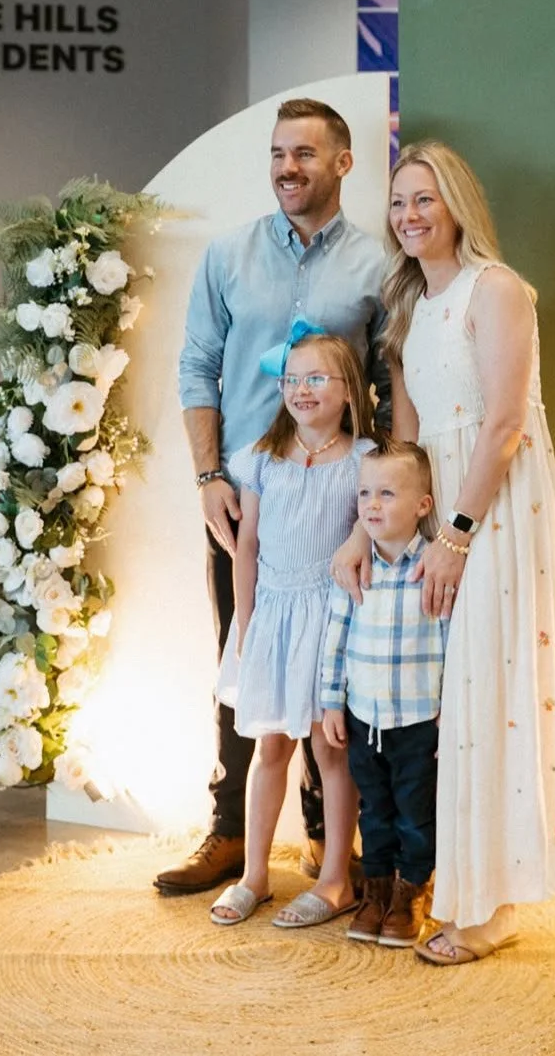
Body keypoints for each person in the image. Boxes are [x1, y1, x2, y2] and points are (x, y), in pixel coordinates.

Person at [336, 139, 555, 965]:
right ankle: (455, 882)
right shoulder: (408, 309)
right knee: (447, 705)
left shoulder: (497, 289)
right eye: (398, 202)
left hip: (493, 513)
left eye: (424, 199)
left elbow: (506, 423)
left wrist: (456, 535)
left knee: (490, 693)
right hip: (434, 522)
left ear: (457, 207)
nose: (409, 216)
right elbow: (404, 442)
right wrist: (366, 530)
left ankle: (492, 906)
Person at [160, 98, 388, 896]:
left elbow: (387, 388)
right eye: (277, 153)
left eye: (305, 153)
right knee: (243, 653)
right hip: (245, 504)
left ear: (343, 163)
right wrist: (206, 476)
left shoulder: (374, 264)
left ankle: (332, 844)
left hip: (337, 506)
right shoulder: (229, 254)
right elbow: (196, 367)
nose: (288, 168)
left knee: (340, 672)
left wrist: (378, 503)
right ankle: (229, 835)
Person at [209, 332, 375, 928]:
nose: (301, 390)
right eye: (292, 379)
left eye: (316, 379)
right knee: (270, 746)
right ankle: (254, 874)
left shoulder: (362, 459)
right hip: (273, 617)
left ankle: (335, 878)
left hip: (329, 622)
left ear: (348, 390)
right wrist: (246, 623)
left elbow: (367, 540)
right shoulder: (261, 457)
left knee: (331, 751)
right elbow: (246, 544)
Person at [320, 439, 446, 948]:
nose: (372, 504)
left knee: (415, 812)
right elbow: (336, 636)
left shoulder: (431, 572)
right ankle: (374, 891)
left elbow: (450, 642)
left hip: (417, 719)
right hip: (362, 715)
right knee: (374, 811)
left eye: (387, 494)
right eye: (365, 493)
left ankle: (410, 892)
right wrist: (331, 701)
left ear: (422, 505)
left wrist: (451, 712)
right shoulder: (356, 569)